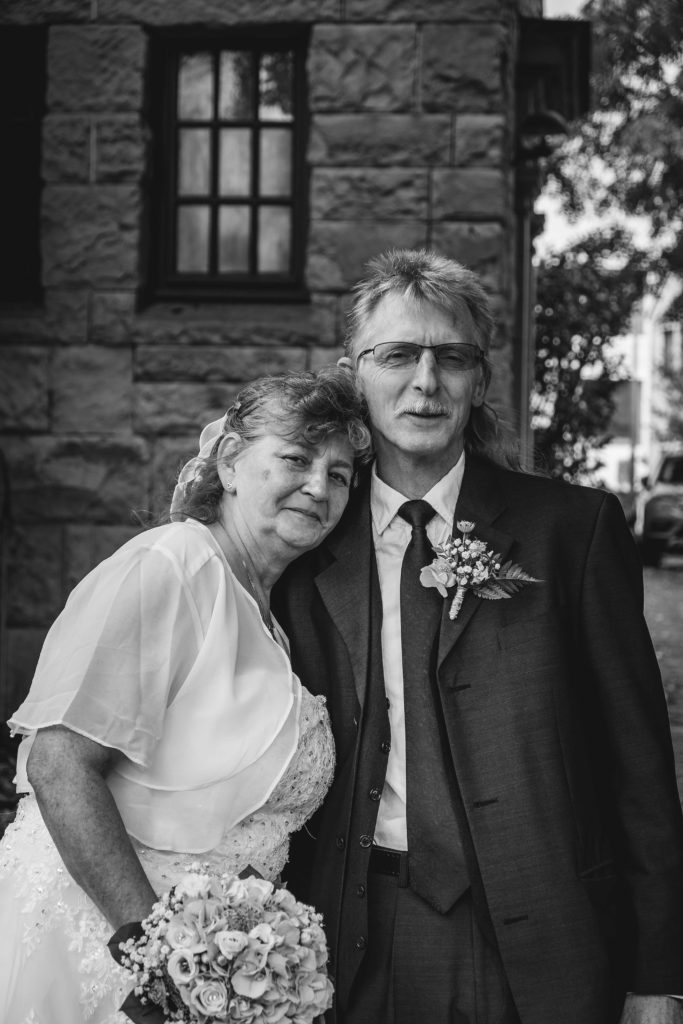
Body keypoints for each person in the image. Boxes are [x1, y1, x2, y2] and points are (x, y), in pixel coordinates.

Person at [273, 249, 683, 1024]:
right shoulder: (303, 545)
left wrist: (657, 974)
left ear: (479, 380)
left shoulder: (572, 532)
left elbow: (638, 769)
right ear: (354, 375)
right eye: (398, 354)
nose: (425, 382)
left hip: (546, 938)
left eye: (452, 357)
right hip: (346, 938)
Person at [0, 368, 372, 1024]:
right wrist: (158, 962)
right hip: (114, 950)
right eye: (296, 459)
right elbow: (59, 765)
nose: (319, 487)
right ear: (229, 462)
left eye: (338, 475)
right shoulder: (175, 564)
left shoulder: (267, 616)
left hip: (214, 968)